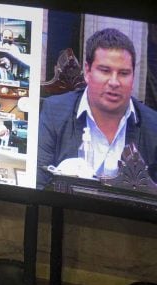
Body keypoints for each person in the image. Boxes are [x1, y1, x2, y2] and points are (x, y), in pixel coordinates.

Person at [37, 27, 157, 185]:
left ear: (133, 77)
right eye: (105, 70)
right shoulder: (54, 112)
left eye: (123, 73)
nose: (114, 82)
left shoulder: (153, 125)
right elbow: (38, 184)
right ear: (87, 71)